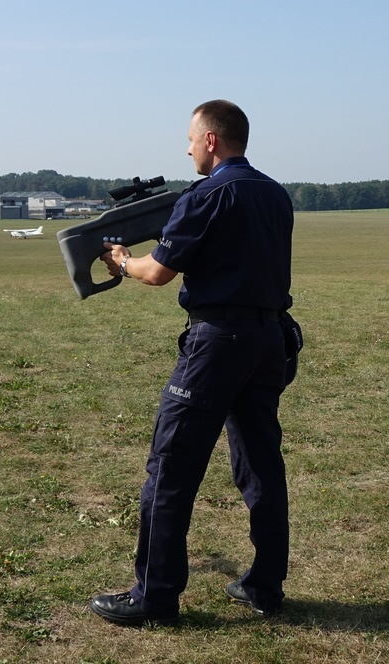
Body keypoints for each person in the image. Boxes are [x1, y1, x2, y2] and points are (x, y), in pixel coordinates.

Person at [89, 100, 294, 626]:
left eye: (189, 139)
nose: (186, 149)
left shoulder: (206, 194)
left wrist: (121, 262)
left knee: (170, 469)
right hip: (269, 339)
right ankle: (265, 587)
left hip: (216, 344)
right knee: (260, 464)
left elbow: (158, 272)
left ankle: (154, 598)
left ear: (210, 141)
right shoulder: (275, 193)